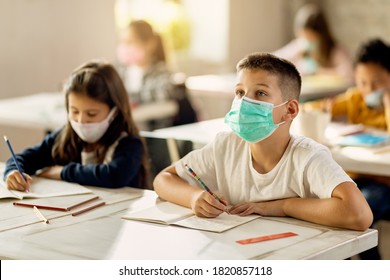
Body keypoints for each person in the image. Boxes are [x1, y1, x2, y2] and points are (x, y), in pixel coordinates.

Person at [153, 52, 373, 231]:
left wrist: (284, 206)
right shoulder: (227, 145)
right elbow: (163, 179)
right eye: (240, 92)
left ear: (290, 110)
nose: (244, 102)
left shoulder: (307, 156)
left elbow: (360, 214)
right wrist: (194, 197)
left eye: (260, 93)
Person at [3, 61, 150, 191]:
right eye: (74, 112)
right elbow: (25, 158)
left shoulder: (129, 143)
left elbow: (114, 175)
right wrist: (13, 171)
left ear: (114, 111)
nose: (81, 120)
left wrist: (62, 172)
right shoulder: (65, 136)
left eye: (91, 114)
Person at [305, 38, 390, 259]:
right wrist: (323, 109)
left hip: (385, 183)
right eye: (362, 82)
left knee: (360, 212)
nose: (368, 89)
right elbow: (313, 108)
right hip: (356, 178)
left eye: (377, 82)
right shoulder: (355, 98)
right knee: (332, 209)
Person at [116, 19, 176, 130]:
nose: (125, 47)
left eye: (130, 42)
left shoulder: (161, 72)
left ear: (150, 44)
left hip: (154, 135)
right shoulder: (120, 72)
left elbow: (166, 98)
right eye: (123, 42)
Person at [274, 3, 353, 82]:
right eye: (303, 37)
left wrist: (319, 71)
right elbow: (277, 58)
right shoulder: (300, 46)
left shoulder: (335, 50)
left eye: (310, 37)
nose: (307, 41)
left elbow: (348, 73)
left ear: (321, 35)